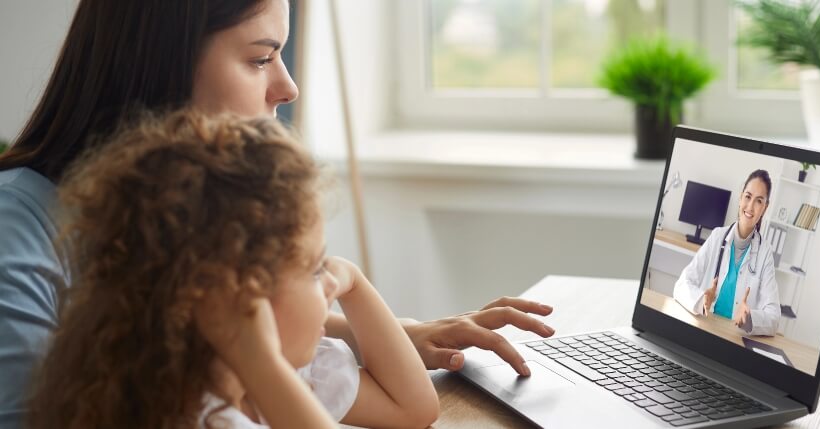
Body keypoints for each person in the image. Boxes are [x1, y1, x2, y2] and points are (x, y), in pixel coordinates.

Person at [0, 0, 554, 425]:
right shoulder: (15, 237)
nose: (287, 87)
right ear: (156, 63)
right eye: (261, 57)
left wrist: (379, 332)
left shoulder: (199, 249)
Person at [27, 110, 439, 429]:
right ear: (234, 295)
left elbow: (415, 408)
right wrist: (263, 366)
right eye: (315, 270)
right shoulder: (188, 416)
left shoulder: (289, 377)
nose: (330, 280)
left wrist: (354, 281)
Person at [672, 170, 781, 336]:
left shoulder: (765, 252)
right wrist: (702, 299)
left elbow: (774, 317)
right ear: (740, 197)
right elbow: (681, 284)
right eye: (748, 196)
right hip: (705, 328)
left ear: (765, 208)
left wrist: (750, 318)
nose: (750, 206)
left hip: (735, 337)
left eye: (759, 201)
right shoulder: (717, 236)